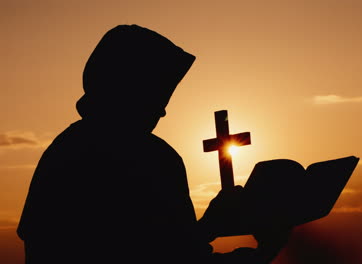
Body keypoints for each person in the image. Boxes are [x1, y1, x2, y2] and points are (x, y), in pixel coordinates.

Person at [17, 24, 291, 264]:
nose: (162, 112)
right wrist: (260, 244)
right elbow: (164, 255)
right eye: (157, 96)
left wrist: (213, 231)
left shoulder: (64, 148)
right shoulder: (151, 158)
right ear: (131, 90)